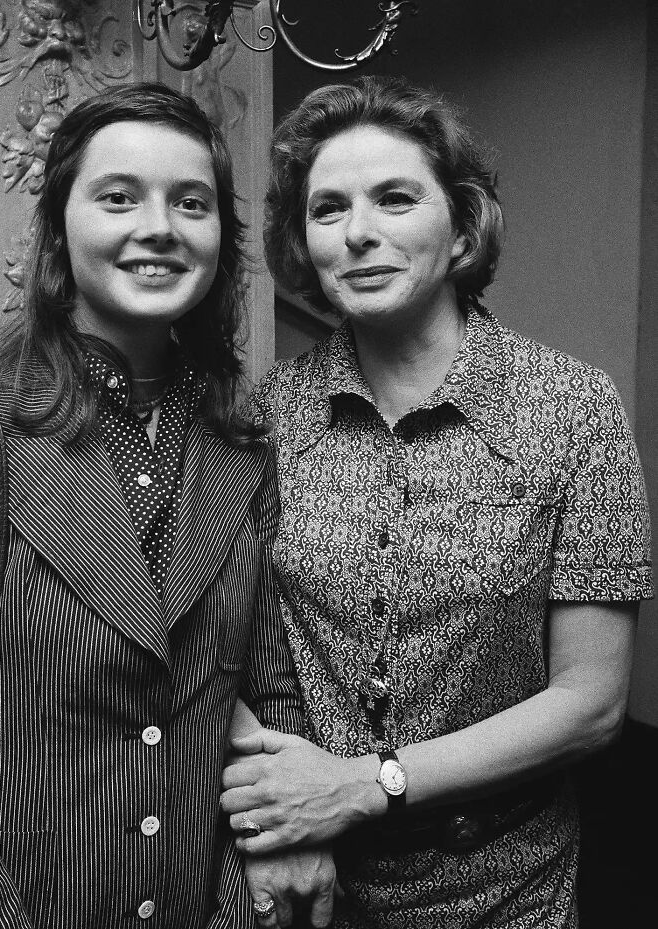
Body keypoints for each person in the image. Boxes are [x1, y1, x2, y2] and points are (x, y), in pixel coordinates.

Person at [220, 75, 654, 927]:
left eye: (395, 198)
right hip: (314, 889)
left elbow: (593, 703)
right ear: (302, 246)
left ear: (461, 225)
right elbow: (213, 639)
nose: (360, 234)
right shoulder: (266, 415)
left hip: (508, 890)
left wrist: (368, 784)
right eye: (328, 209)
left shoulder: (573, 409)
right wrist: (281, 817)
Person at [0, 82, 335, 928]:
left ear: (220, 242)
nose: (159, 226)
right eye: (119, 197)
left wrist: (275, 848)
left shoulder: (245, 444)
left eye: (190, 202)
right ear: (59, 230)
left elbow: (272, 687)